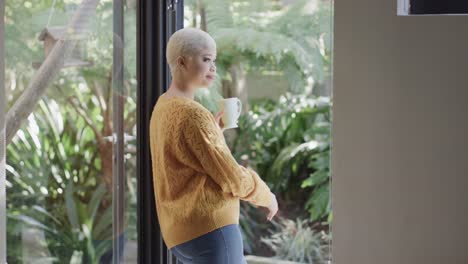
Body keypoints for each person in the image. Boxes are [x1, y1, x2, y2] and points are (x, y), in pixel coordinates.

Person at [149, 27, 278, 264]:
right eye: (206, 59)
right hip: (211, 231)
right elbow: (232, 177)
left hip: (179, 235)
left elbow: (182, 162)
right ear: (182, 62)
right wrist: (266, 196)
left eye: (214, 60)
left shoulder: (162, 107)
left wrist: (214, 133)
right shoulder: (193, 114)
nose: (213, 67)